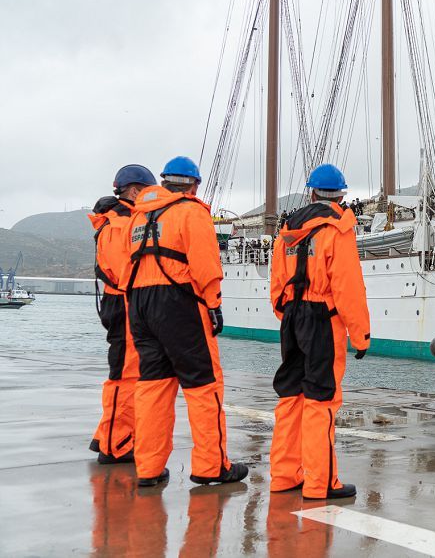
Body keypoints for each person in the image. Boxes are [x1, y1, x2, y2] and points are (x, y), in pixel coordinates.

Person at [123, 156, 246, 488]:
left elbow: (127, 267)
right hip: (178, 302)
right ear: (193, 184)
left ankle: (147, 468)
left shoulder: (137, 217)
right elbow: (205, 263)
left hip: (139, 305)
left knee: (152, 387)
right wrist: (213, 304)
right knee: (204, 386)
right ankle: (211, 466)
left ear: (164, 182)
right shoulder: (191, 212)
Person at [269, 164, 371, 500]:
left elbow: (277, 281)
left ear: (311, 192)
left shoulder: (288, 230)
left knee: (290, 396)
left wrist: (285, 314)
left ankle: (284, 475)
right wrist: (361, 335)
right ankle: (320, 483)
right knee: (321, 399)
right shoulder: (338, 228)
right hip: (322, 319)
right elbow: (347, 286)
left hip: (292, 316)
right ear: (341, 195)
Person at [87, 165, 157, 465]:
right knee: (126, 375)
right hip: (125, 302)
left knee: (127, 373)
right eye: (147, 191)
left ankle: (108, 434)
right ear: (133, 191)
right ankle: (117, 445)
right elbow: (121, 270)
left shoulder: (121, 220)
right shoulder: (119, 223)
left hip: (124, 302)